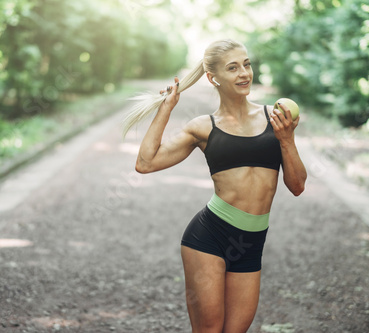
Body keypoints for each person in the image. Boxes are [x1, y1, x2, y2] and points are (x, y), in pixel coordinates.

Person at [123, 39, 307, 333]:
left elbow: (297, 186)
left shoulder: (275, 117)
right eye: (232, 68)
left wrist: (286, 140)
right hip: (208, 237)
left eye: (246, 64)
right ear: (213, 78)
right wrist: (166, 109)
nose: (244, 73)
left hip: (251, 242)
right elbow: (145, 163)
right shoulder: (203, 126)